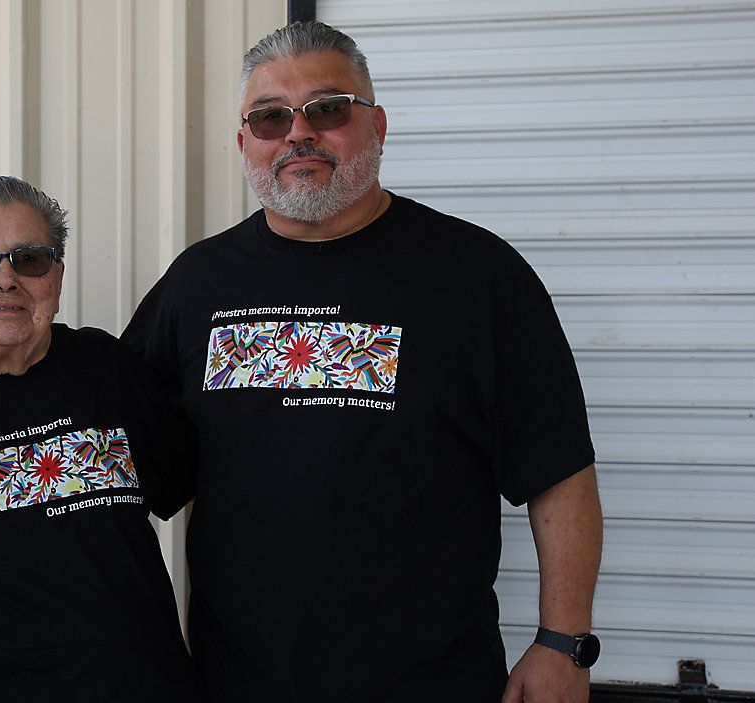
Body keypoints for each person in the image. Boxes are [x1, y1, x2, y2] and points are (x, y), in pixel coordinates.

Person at [121, 21, 604, 703]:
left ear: (377, 125)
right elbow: (121, 466)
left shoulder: (478, 276)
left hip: (433, 683)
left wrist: (564, 644)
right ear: (244, 142)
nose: (297, 133)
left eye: (327, 109)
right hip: (237, 681)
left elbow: (560, 470)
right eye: (270, 118)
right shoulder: (197, 286)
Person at [0, 175, 202, 702]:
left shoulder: (110, 368)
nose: (5, 279)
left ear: (58, 277)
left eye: (30, 260)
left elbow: (187, 484)